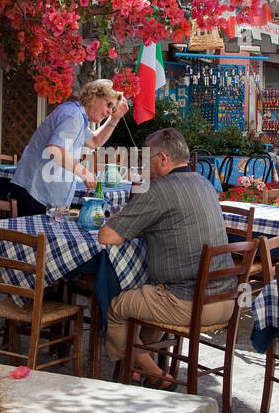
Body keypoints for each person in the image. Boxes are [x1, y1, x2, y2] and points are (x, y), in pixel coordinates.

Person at [97, 128, 236, 386]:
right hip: (226, 299)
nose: (142, 166)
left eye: (145, 159)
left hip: (188, 303)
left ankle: (155, 372)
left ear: (162, 159)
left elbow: (106, 236)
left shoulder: (159, 189)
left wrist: (119, 218)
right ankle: (137, 364)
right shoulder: (204, 183)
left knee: (116, 307)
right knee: (150, 296)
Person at [7, 78, 128, 216]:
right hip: (33, 193)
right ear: (95, 96)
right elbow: (55, 150)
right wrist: (85, 174)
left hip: (40, 195)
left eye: (112, 109)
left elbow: (95, 142)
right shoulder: (73, 116)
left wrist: (114, 119)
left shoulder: (77, 116)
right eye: (109, 104)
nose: (109, 112)